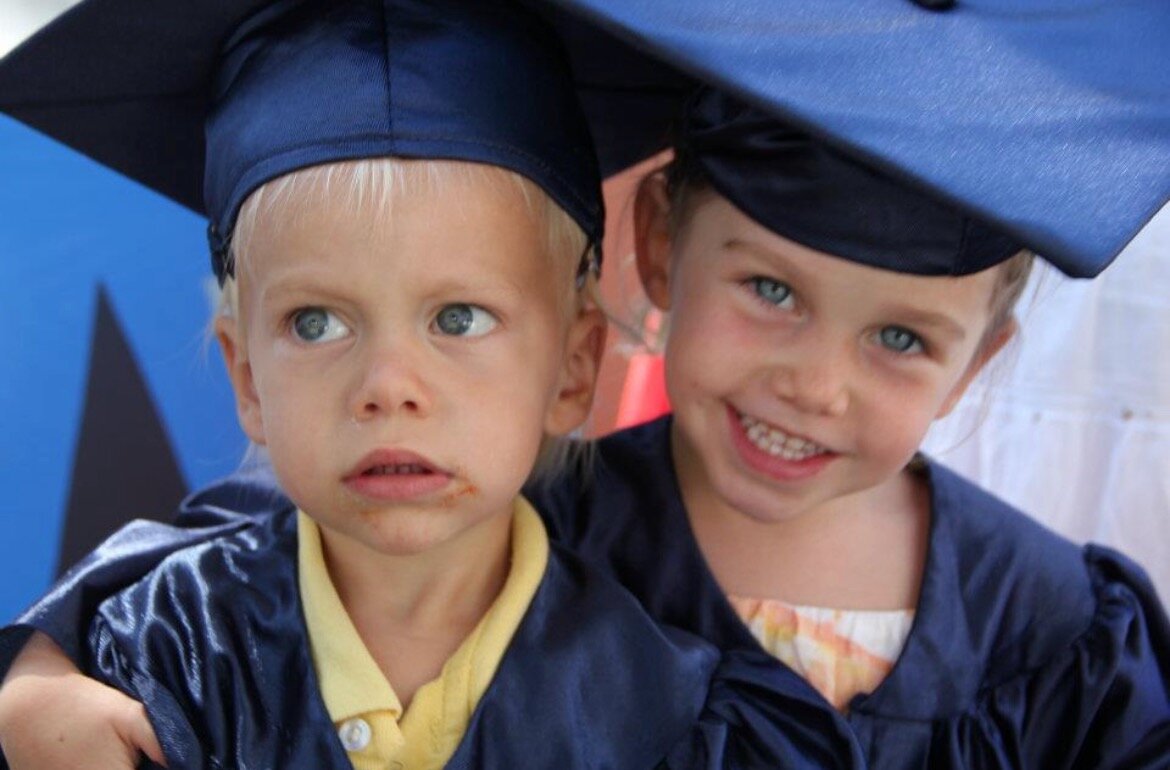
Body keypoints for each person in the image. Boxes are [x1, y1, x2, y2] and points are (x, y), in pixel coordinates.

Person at [3, 86, 1168, 767]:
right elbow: (284, 514)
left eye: (901, 339)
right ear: (656, 245)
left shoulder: (1064, 631)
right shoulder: (527, 502)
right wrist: (44, 668)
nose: (817, 385)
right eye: (768, 290)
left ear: (982, 365)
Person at [1, 3, 876, 768]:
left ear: (575, 368)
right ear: (247, 380)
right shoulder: (150, 670)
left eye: (459, 318)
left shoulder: (678, 719)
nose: (388, 386)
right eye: (317, 323)